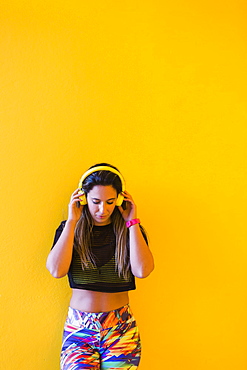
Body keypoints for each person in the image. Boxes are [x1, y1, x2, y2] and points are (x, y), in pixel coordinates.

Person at [46, 163, 154, 370]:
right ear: (83, 198)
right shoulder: (70, 229)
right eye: (95, 201)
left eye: (110, 202)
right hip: (80, 329)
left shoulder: (130, 231)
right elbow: (56, 270)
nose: (102, 210)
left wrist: (132, 222)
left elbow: (143, 271)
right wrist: (71, 221)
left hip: (120, 328)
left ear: (120, 200)